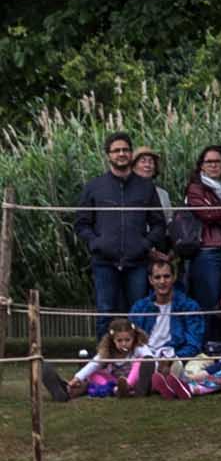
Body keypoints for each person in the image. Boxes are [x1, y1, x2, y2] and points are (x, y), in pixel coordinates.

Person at [75, 132, 166, 336]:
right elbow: (81, 223)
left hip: (137, 262)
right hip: (104, 261)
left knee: (138, 312)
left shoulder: (146, 187)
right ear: (108, 155)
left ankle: (138, 361)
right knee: (106, 313)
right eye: (117, 150)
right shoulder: (94, 187)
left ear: (131, 153)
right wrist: (95, 243)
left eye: (125, 150)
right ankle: (104, 361)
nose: (122, 154)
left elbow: (159, 224)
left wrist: (144, 244)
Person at [183, 145, 221, 322]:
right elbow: (205, 214)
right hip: (207, 251)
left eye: (217, 161)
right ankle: (207, 347)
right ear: (201, 165)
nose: (213, 165)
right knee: (209, 304)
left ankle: (219, 345)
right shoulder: (195, 188)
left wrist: (218, 213)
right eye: (209, 162)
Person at [127, 254, 205, 397]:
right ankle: (156, 382)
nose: (162, 281)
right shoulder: (139, 307)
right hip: (146, 358)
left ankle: (152, 383)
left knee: (191, 365)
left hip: (175, 355)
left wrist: (173, 358)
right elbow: (131, 339)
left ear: (174, 278)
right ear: (150, 280)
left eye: (166, 276)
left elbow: (194, 342)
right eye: (157, 277)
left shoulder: (189, 306)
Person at [46, 317, 148, 401]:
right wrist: (77, 378)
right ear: (113, 341)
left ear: (133, 338)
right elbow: (93, 364)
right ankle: (68, 390)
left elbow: (150, 359)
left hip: (134, 382)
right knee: (93, 374)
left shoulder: (138, 347)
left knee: (140, 362)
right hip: (114, 382)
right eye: (119, 340)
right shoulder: (108, 351)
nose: (124, 344)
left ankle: (126, 388)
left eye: (127, 340)